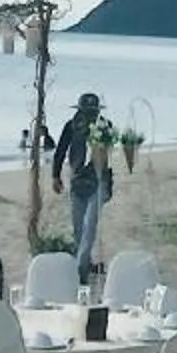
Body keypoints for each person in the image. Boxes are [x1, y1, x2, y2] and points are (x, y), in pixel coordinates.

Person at [49, 91, 113, 265]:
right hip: (77, 180)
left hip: (98, 180)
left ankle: (81, 265)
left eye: (93, 112)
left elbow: (109, 151)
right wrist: (55, 175)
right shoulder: (71, 127)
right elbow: (60, 150)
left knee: (90, 223)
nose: (91, 115)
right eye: (87, 111)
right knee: (78, 225)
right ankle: (86, 260)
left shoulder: (105, 127)